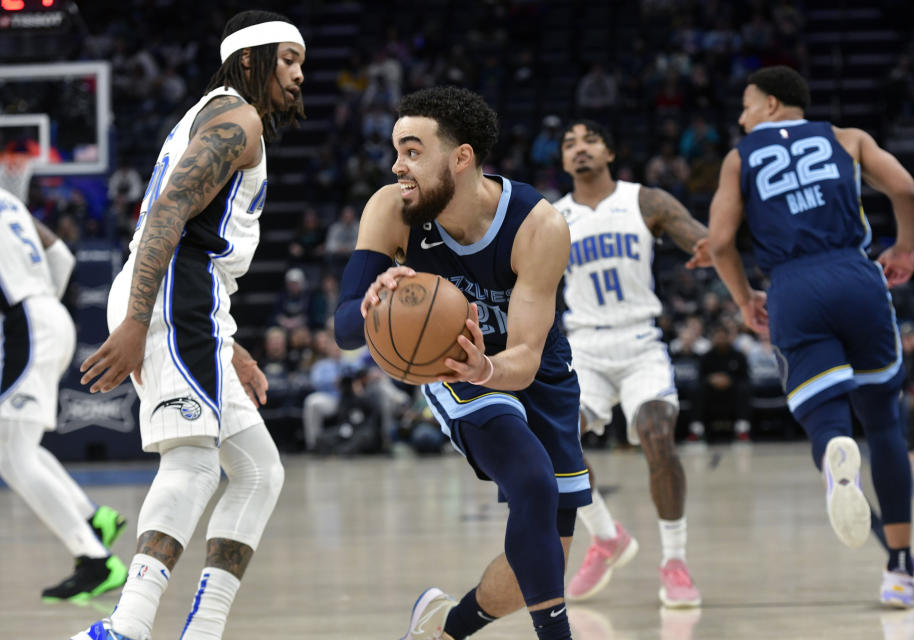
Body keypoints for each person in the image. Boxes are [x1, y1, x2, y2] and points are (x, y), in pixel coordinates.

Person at [71, 10, 305, 640]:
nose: (299, 75)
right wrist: (135, 321)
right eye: (288, 59)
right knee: (196, 464)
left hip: (195, 303)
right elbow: (172, 211)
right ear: (250, 59)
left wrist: (231, 348)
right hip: (172, 293)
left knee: (259, 471)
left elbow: (200, 243)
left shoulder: (221, 114)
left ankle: (202, 630)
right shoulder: (238, 118)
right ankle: (126, 626)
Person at [334, 86, 589, 640]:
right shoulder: (391, 209)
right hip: (450, 367)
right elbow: (345, 329)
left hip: (532, 367)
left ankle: (445, 630)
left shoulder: (538, 225)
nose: (398, 165)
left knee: (540, 558)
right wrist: (373, 302)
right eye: (396, 151)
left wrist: (489, 369)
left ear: (461, 156)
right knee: (534, 486)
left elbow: (523, 355)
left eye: (412, 150)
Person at [708, 65, 914, 607]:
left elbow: (721, 240)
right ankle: (900, 568)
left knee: (825, 416)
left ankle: (833, 455)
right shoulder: (847, 138)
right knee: (884, 419)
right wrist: (904, 248)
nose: (742, 116)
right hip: (856, 274)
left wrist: (743, 298)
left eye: (748, 105)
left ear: (773, 105)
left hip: (794, 287)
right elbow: (905, 188)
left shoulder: (741, 156)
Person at [553, 120, 709, 606]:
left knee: (657, 434)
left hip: (640, 341)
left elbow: (701, 239)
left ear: (610, 150)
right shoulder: (551, 217)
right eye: (569, 145)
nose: (580, 150)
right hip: (585, 347)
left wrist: (710, 248)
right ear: (562, 161)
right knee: (555, 443)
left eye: (590, 141)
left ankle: (674, 560)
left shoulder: (646, 201)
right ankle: (606, 536)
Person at [0, 186, 128, 601]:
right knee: (18, 445)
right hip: (44, 317)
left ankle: (96, 560)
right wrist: (45, 308)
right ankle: (93, 519)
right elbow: (62, 256)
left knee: (10, 452)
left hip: (28, 324)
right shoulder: (9, 201)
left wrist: (32, 318)